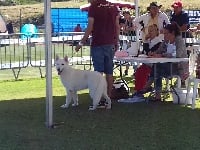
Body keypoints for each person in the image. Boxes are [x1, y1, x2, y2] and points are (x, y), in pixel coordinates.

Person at [75, 0, 120, 106]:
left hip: (98, 43)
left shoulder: (93, 7)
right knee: (109, 72)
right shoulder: (113, 6)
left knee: (98, 73)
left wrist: (81, 43)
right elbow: (117, 26)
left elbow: (90, 27)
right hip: (110, 43)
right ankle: (108, 98)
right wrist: (116, 41)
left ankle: (98, 99)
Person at [143, 23, 188, 101]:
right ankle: (153, 92)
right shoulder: (165, 42)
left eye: (166, 33)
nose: (164, 35)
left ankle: (149, 88)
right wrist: (153, 53)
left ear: (173, 33)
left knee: (157, 67)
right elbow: (158, 51)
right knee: (157, 67)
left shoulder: (179, 41)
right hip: (167, 66)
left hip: (178, 68)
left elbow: (178, 54)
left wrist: (162, 55)